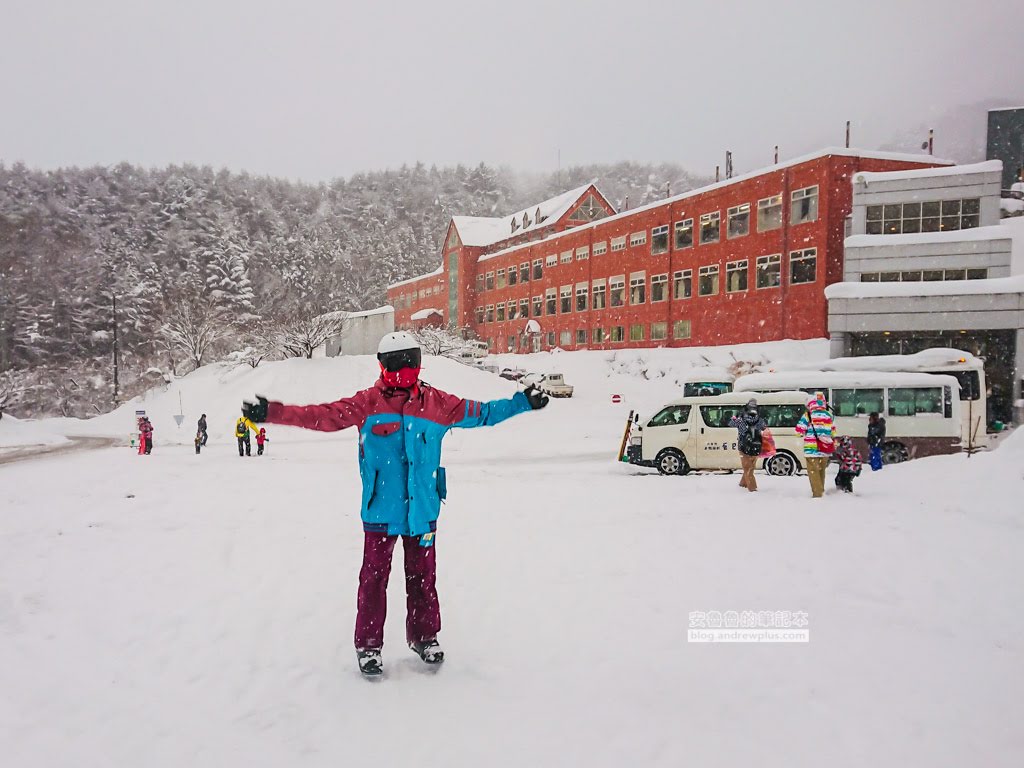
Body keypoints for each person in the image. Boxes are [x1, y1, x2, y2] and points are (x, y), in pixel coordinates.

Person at [241, 331, 548, 677]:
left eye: (408, 361)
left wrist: (522, 402)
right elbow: (322, 416)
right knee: (373, 581)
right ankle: (369, 645)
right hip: (381, 512)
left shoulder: (437, 403)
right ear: (382, 365)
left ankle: (425, 637)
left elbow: (483, 413)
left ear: (417, 362)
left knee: (423, 578)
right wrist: (273, 413)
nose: (402, 368)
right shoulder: (367, 403)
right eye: (395, 362)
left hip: (423, 512)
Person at [794, 392, 835, 499]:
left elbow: (799, 432)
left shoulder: (808, 415)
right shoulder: (829, 415)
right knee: (821, 471)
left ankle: (818, 495)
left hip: (811, 449)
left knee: (813, 472)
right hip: (825, 448)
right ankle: (821, 491)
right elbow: (833, 432)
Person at [729, 399, 767, 492]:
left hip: (743, 446)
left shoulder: (741, 420)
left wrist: (735, 416)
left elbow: (731, 423)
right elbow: (764, 427)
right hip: (756, 446)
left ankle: (752, 489)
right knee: (750, 467)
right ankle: (743, 484)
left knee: (747, 468)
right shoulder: (760, 420)